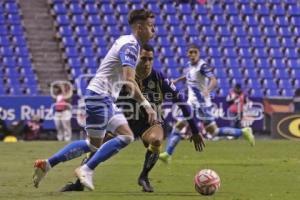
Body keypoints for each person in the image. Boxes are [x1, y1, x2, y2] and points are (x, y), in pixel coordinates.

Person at [33, 9, 157, 191]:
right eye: (150, 26)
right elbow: (129, 82)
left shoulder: (129, 42)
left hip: (97, 95)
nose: (153, 30)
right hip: (100, 96)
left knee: (93, 144)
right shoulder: (130, 45)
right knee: (125, 136)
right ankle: (86, 168)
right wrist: (148, 106)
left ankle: (47, 164)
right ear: (139, 27)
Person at [59, 44, 204, 192]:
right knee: (97, 147)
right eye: (143, 59)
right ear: (135, 59)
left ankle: (144, 177)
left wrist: (195, 131)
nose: (147, 63)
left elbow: (182, 104)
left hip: (150, 122)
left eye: (150, 59)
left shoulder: (160, 79)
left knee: (156, 140)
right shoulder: (122, 77)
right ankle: (79, 182)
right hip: (123, 121)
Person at [159, 44, 255, 163]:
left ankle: (168, 154)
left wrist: (208, 90)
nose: (193, 54)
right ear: (187, 54)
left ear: (198, 53)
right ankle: (243, 132)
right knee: (209, 131)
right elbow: (188, 76)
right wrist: (178, 80)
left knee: (210, 131)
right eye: (190, 52)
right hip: (191, 104)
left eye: (195, 52)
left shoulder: (203, 66)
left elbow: (214, 80)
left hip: (202, 104)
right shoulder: (189, 66)